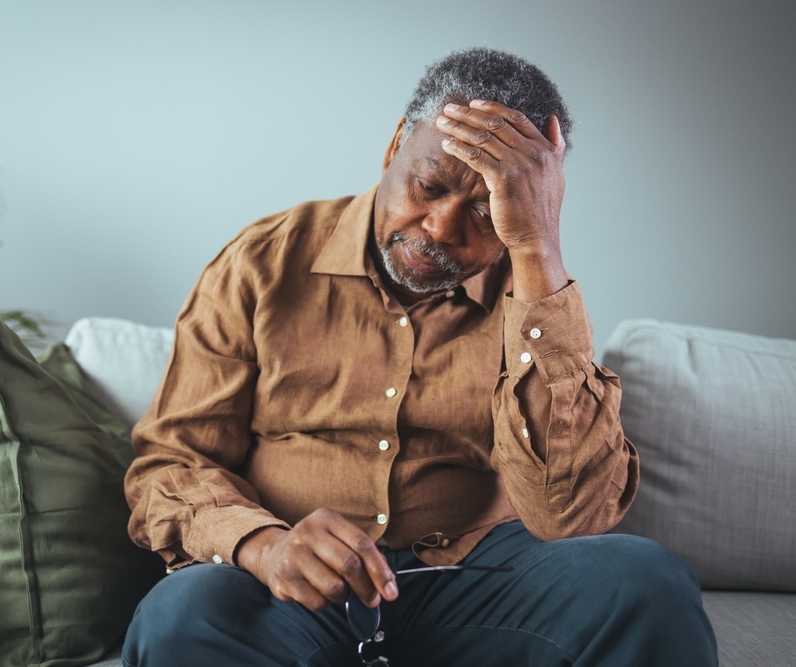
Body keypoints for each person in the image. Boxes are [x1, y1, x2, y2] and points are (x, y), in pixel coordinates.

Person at [121, 47, 717, 666]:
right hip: (292, 585)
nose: (440, 227)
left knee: (646, 582)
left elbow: (570, 517)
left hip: (473, 584)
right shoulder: (260, 265)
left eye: (486, 209)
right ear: (392, 150)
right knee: (180, 615)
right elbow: (171, 465)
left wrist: (538, 248)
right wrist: (265, 546)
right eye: (427, 186)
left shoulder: (537, 297)